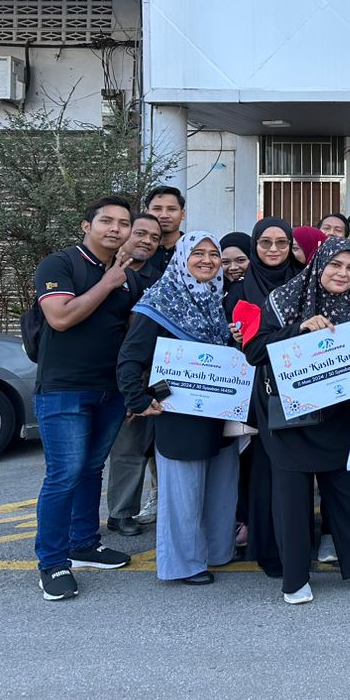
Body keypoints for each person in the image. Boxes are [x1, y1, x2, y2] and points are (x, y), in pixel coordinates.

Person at [245, 238, 350, 603]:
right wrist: (300, 329)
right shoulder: (282, 300)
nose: (343, 273)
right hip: (287, 417)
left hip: (334, 414)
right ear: (318, 265)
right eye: (335, 265)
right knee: (292, 498)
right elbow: (255, 351)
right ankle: (295, 579)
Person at [116, 233, 239, 585]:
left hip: (218, 411)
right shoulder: (160, 301)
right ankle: (184, 564)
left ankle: (217, 551)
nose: (207, 260)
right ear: (181, 259)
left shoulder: (216, 301)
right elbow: (131, 357)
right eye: (197, 253)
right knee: (183, 493)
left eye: (213, 254)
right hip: (179, 412)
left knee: (220, 486)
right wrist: (139, 399)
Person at [32, 196, 138, 601]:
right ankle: (52, 562)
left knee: (92, 468)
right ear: (86, 225)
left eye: (123, 223)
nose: (115, 229)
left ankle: (84, 543)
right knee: (65, 473)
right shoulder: (60, 264)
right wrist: (107, 283)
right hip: (64, 388)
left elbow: (130, 332)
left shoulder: (127, 275)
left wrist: (132, 389)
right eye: (106, 221)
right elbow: (60, 317)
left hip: (110, 389)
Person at [223, 218, 303, 579]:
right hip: (258, 390)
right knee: (265, 471)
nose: (273, 249)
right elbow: (237, 343)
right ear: (255, 246)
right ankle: (270, 548)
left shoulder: (304, 282)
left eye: (281, 243)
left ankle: (298, 543)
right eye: (265, 242)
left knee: (298, 471)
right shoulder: (241, 288)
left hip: (301, 385)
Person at [103, 212, 166, 538]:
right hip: (105, 372)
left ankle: (150, 507)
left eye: (154, 237)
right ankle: (119, 512)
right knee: (123, 449)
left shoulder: (161, 280)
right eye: (140, 233)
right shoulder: (101, 271)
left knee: (146, 445)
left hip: (149, 374)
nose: (147, 241)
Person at [144, 185, 186, 274]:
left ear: (182, 214)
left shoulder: (193, 249)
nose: (164, 215)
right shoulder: (136, 250)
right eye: (157, 209)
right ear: (147, 213)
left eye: (171, 209)